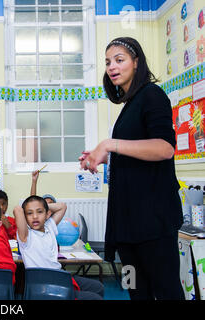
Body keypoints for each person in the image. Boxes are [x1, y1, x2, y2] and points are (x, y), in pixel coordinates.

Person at [79, 37, 184, 300]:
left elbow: (164, 148)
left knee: (166, 291)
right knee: (136, 292)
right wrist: (101, 156)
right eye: (107, 62)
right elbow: (135, 152)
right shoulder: (129, 105)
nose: (111, 67)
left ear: (136, 63)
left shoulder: (152, 95)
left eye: (119, 59)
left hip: (153, 224)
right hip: (128, 226)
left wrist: (110, 144)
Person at [14, 196, 104, 300]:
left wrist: (42, 205)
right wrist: (40, 207)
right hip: (44, 285)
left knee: (98, 287)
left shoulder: (49, 227)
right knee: (95, 298)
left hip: (59, 277)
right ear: (25, 217)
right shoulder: (26, 236)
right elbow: (17, 209)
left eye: (39, 212)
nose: (34, 216)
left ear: (47, 214)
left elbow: (63, 207)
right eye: (29, 213)